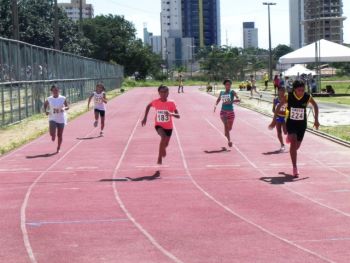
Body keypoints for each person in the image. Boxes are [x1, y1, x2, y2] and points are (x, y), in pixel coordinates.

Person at [269, 80, 319, 177]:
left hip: (302, 124)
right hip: (291, 123)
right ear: (295, 89)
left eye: (303, 90)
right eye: (299, 90)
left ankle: (290, 139)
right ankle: (295, 167)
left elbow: (315, 106)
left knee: (296, 147)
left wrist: (316, 120)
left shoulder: (307, 97)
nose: (301, 92)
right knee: (293, 142)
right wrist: (274, 120)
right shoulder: (289, 96)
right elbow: (278, 107)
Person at [142, 85, 180, 164]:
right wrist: (145, 117)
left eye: (165, 92)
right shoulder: (156, 102)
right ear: (159, 93)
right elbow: (148, 106)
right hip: (158, 125)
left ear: (168, 93)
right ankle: (159, 157)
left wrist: (170, 113)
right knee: (163, 137)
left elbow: (178, 116)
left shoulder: (171, 103)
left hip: (169, 127)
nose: (164, 93)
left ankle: (163, 149)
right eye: (162, 92)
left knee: (165, 144)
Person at [214, 79, 240, 147]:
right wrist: (215, 105)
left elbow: (239, 99)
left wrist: (231, 101)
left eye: (229, 84)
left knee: (229, 128)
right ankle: (229, 141)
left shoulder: (232, 92)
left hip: (231, 112)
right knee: (226, 125)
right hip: (223, 112)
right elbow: (218, 99)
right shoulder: (222, 92)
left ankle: (226, 132)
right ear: (224, 85)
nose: (228, 86)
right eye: (227, 84)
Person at [44, 85, 69, 153]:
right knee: (52, 132)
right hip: (52, 117)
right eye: (54, 90)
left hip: (61, 118)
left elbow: (67, 107)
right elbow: (45, 104)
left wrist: (64, 108)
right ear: (51, 91)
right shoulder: (49, 98)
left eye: (57, 90)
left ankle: (58, 147)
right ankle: (53, 135)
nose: (55, 91)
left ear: (59, 90)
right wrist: (45, 111)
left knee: (60, 135)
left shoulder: (63, 98)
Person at [272, 87, 287, 152]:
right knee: (279, 131)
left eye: (283, 91)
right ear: (278, 92)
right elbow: (273, 109)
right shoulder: (275, 99)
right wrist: (276, 115)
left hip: (285, 117)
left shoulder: (287, 99)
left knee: (285, 131)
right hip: (278, 117)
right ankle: (282, 144)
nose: (282, 92)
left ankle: (291, 138)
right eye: (280, 91)